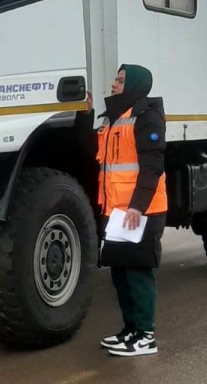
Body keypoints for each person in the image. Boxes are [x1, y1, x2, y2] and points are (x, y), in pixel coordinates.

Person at [85, 65, 168, 357]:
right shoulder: (114, 118)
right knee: (120, 273)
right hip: (118, 213)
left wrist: (137, 207)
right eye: (115, 79)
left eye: (121, 80)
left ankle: (146, 336)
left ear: (135, 84)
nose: (114, 84)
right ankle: (130, 330)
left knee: (138, 272)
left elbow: (152, 166)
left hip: (141, 211)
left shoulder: (146, 117)